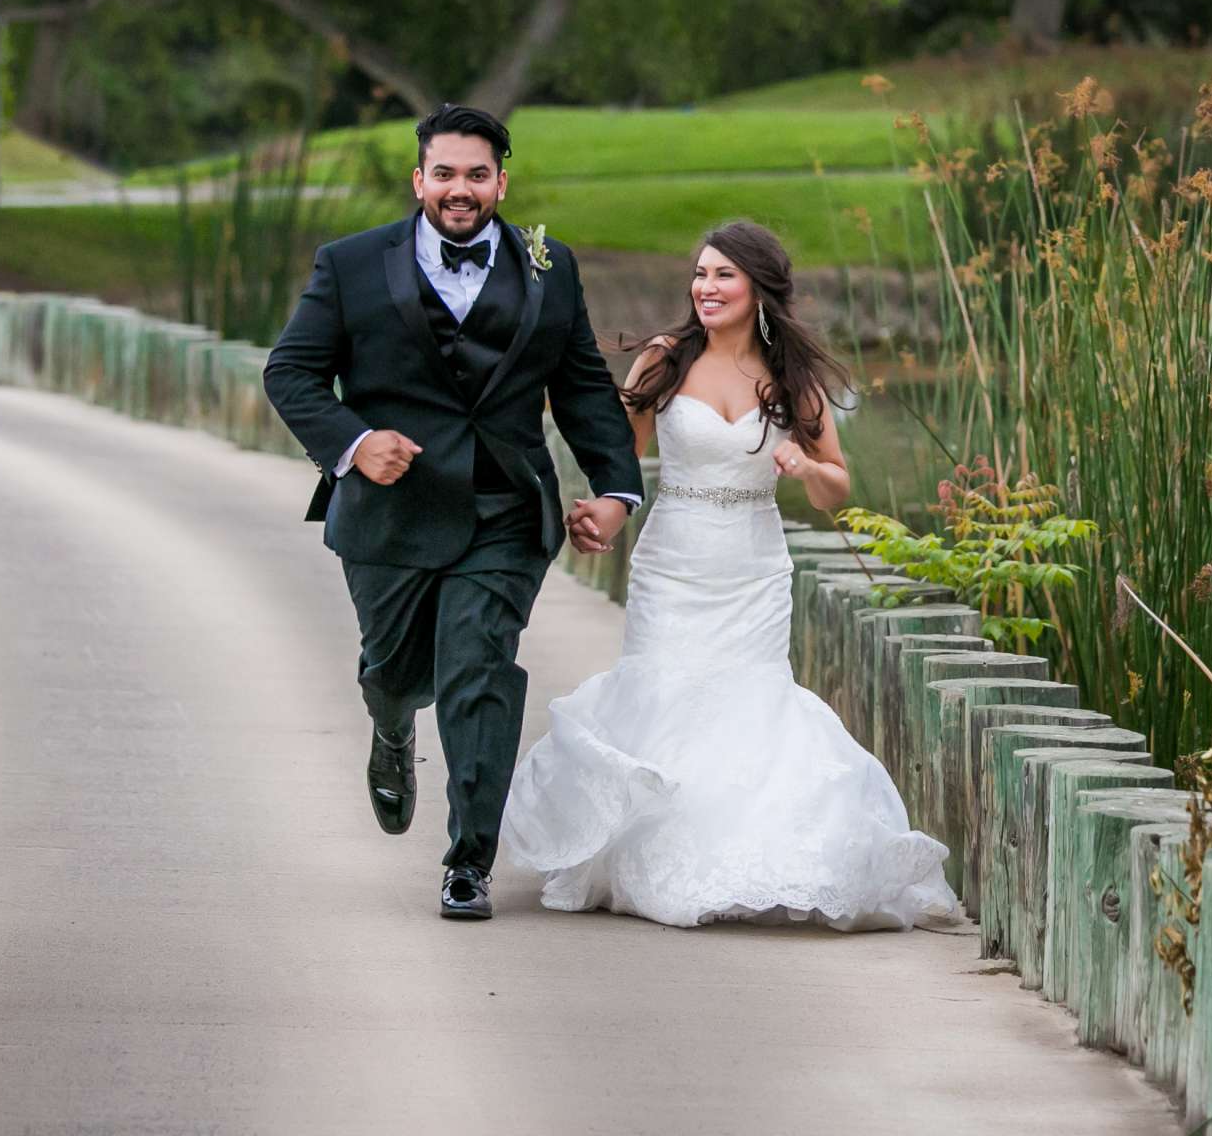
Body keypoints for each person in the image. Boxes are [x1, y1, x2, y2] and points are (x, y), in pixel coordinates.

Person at [501, 221, 959, 930]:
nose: (705, 288)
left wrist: (807, 469)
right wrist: (605, 514)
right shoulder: (664, 359)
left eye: (723, 276)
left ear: (759, 289)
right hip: (674, 559)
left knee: (748, 700)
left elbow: (837, 485)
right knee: (664, 688)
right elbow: (621, 460)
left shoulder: (794, 379)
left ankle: (747, 854)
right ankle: (649, 854)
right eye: (700, 275)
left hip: (751, 565)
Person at [263, 104, 644, 921]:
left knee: (478, 668)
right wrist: (356, 440)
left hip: (506, 508)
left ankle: (468, 860)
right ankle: (392, 726)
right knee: (395, 672)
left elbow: (580, 385)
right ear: (419, 180)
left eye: (477, 175)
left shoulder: (550, 267)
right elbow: (289, 373)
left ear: (502, 181)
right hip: (390, 514)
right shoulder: (351, 265)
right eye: (445, 174)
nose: (460, 190)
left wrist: (616, 492)